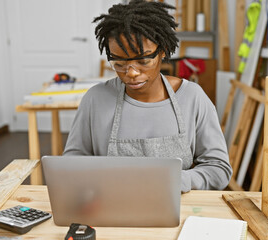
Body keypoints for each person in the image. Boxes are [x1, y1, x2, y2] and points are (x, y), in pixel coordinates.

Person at [63, 0, 232, 193]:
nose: (132, 73)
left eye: (143, 61)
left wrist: (181, 180)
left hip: (177, 209)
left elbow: (219, 169)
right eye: (119, 63)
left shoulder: (192, 98)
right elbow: (72, 164)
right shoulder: (95, 100)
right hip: (110, 207)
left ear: (163, 52)